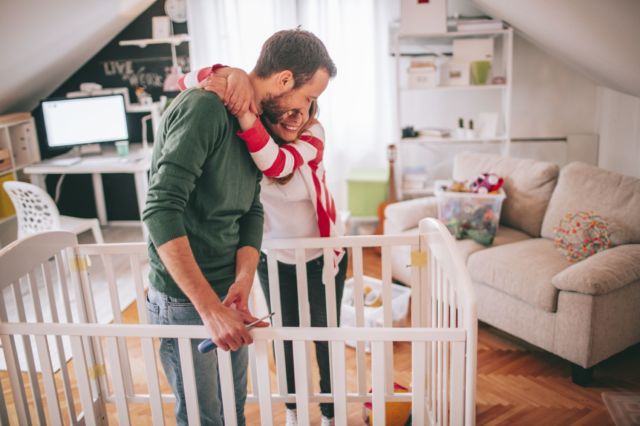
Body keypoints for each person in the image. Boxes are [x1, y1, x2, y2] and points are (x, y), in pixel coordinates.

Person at [143, 29, 336, 426]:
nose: (309, 108)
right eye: (309, 96)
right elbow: (161, 209)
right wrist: (209, 309)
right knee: (205, 418)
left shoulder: (255, 128)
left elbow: (251, 211)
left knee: (234, 410)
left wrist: (243, 281)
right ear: (284, 80)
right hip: (186, 300)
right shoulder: (206, 110)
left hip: (226, 294)